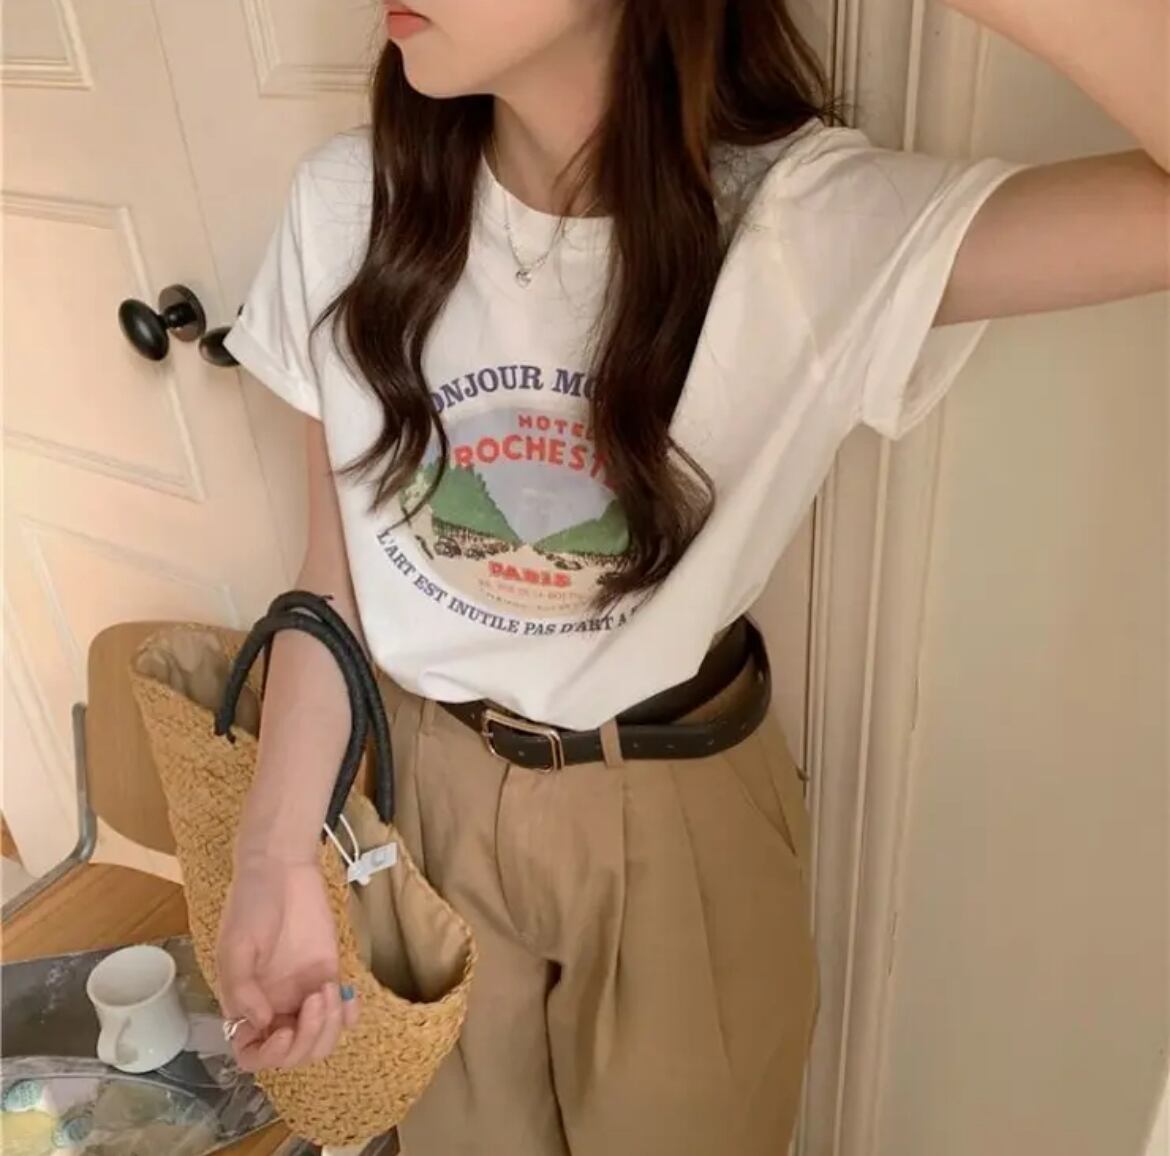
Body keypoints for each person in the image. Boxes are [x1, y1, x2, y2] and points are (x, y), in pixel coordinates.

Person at [215, 1, 1168, 1153]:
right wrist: (274, 850)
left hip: (671, 811)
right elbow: (332, 588)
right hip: (429, 797)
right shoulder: (345, 205)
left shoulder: (806, 225)